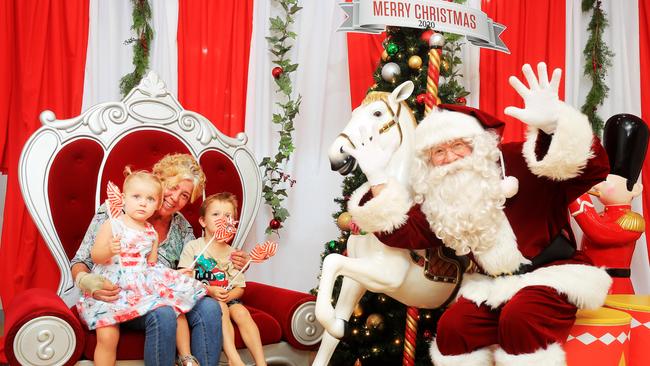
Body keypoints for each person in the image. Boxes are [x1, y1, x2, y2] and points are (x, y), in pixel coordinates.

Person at [345, 63, 612, 365]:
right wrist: (378, 179)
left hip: (552, 274)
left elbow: (592, 170)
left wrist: (553, 127)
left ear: (478, 144)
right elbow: (402, 231)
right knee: (453, 328)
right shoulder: (440, 195)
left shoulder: (519, 161)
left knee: (520, 317)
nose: (450, 158)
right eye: (439, 152)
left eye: (458, 145)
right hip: (493, 286)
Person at [71, 153, 249, 366]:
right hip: (118, 294)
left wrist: (232, 261)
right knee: (164, 312)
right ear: (158, 181)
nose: (175, 197)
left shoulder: (182, 227)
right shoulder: (115, 211)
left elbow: (200, 266)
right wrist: (85, 281)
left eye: (184, 195)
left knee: (210, 308)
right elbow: (83, 259)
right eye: (172, 187)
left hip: (158, 293)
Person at [77, 169, 206, 366]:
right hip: (111, 288)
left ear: (157, 203)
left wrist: (175, 276)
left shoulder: (151, 232)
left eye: (150, 199)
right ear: (123, 198)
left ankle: (186, 358)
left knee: (170, 307)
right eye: (136, 197)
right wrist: (109, 250)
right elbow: (95, 256)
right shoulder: (113, 224)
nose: (143, 203)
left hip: (137, 289)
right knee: (108, 337)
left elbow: (151, 265)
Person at [179, 193, 267, 366]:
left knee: (242, 313)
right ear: (203, 221)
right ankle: (234, 359)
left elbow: (240, 286)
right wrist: (210, 291)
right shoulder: (193, 247)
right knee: (220, 308)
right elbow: (185, 277)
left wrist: (230, 295)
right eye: (216, 214)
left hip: (228, 297)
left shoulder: (233, 253)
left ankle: (261, 361)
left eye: (228, 216)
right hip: (204, 298)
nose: (222, 219)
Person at [570, 113, 649, 294]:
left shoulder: (631, 223)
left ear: (635, 189)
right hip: (590, 286)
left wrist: (574, 192)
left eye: (607, 180)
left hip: (614, 289)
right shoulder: (601, 215)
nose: (599, 184)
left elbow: (598, 232)